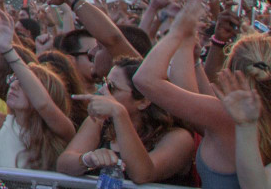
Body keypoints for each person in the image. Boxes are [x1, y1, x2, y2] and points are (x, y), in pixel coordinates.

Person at [134, 0, 271, 188]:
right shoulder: (232, 114)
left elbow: (145, 79)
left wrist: (177, 32)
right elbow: (189, 92)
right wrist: (189, 43)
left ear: (230, 70)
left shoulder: (226, 116)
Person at [0, 14, 76, 188]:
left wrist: (8, 49)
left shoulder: (61, 131)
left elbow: (44, 105)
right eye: (13, 80)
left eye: (22, 84)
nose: (14, 86)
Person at [55, 57, 194, 185]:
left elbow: (143, 174)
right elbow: (63, 163)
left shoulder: (179, 137)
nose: (103, 91)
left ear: (144, 101)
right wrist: (87, 159)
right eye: (104, 83)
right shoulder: (100, 122)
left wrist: (119, 113)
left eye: (112, 87)